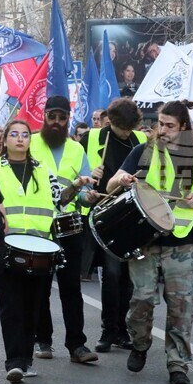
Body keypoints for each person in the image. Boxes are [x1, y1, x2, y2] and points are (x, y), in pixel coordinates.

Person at [108, 100, 193, 384]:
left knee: (182, 303)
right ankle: (140, 344)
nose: (163, 129)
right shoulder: (141, 151)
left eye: (170, 125)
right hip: (144, 239)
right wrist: (121, 178)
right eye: (160, 123)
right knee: (142, 299)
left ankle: (177, 362)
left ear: (183, 127)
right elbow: (110, 185)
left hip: (181, 242)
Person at [0, 119, 58, 383]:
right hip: (7, 246)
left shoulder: (43, 169)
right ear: (4, 140)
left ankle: (26, 359)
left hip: (41, 248)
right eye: (14, 134)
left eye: (25, 134)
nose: (20, 138)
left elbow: (59, 198)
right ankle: (14, 361)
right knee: (10, 305)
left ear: (30, 139)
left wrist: (80, 188)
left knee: (33, 307)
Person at [29, 96, 99, 364]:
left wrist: (88, 197)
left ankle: (77, 345)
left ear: (68, 119)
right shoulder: (31, 143)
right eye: (52, 116)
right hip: (40, 225)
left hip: (69, 226)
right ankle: (43, 339)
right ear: (44, 117)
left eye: (61, 117)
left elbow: (83, 190)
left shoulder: (76, 149)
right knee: (41, 287)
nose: (56, 122)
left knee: (71, 287)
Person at [79, 98, 147, 351]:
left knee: (128, 275)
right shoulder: (93, 137)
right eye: (122, 128)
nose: (127, 133)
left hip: (132, 211)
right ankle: (109, 331)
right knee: (112, 273)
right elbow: (78, 173)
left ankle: (122, 330)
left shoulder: (139, 141)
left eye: (131, 128)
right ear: (111, 121)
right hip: (104, 211)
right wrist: (89, 175)